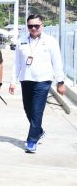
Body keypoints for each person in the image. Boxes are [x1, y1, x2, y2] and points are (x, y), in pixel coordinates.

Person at [9, 14, 66, 153]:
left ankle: (32, 140)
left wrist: (61, 81)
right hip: (26, 80)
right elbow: (17, 63)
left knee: (36, 112)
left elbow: (57, 62)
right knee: (28, 109)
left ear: (42, 25)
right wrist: (13, 81)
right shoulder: (21, 41)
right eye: (30, 26)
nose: (33, 28)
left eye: (36, 26)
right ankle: (39, 131)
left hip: (43, 80)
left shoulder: (50, 41)